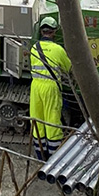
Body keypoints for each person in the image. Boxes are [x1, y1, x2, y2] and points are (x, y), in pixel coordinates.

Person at [29, 20, 72, 161]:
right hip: (50, 87)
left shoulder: (34, 48)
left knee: (37, 119)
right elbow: (67, 68)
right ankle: (54, 157)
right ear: (54, 32)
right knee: (52, 120)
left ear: (41, 31)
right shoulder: (58, 50)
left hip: (36, 87)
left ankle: (40, 155)